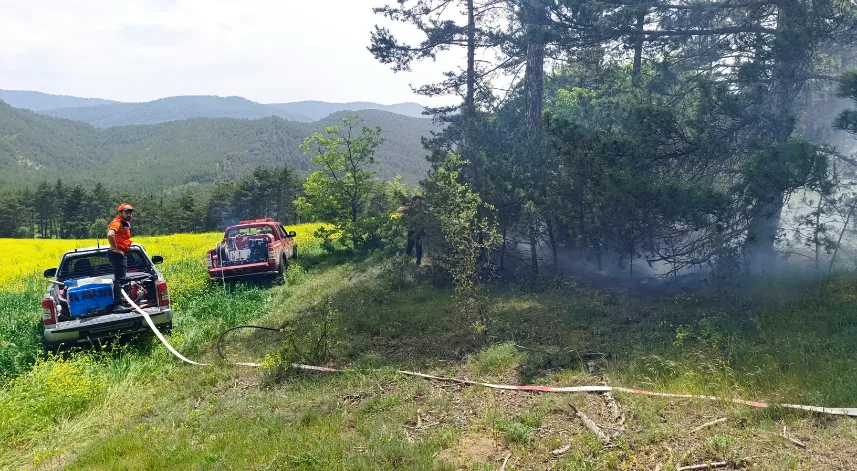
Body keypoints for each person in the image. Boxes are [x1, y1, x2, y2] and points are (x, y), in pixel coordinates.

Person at [107, 203, 134, 304]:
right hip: (117, 254)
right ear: (120, 212)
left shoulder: (125, 223)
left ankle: (121, 302)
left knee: (121, 279)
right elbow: (110, 235)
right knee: (120, 280)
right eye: (126, 212)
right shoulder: (117, 222)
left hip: (121, 253)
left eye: (130, 212)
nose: (129, 215)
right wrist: (116, 249)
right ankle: (118, 304)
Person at [395, 196, 427, 266]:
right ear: (414, 201)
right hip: (411, 230)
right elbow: (398, 210)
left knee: (419, 247)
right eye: (418, 201)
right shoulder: (410, 208)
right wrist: (407, 207)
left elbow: (425, 218)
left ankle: (418, 262)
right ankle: (406, 262)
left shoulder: (422, 208)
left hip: (420, 230)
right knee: (410, 246)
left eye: (420, 201)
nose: (419, 203)